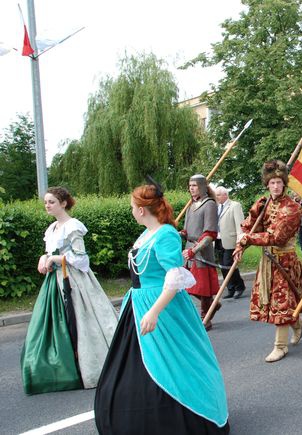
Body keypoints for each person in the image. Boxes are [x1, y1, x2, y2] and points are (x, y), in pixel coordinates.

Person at [94, 182, 229, 434]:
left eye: (133, 207)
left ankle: (185, 417)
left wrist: (154, 311)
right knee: (136, 363)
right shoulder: (145, 234)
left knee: (173, 360)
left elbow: (174, 276)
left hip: (161, 307)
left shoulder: (165, 234)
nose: (132, 211)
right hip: (137, 302)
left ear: (143, 210)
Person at [22, 187, 118, 394]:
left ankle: (90, 367)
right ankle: (61, 368)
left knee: (81, 322)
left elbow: (81, 259)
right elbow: (49, 252)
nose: (47, 205)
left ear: (63, 203)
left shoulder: (73, 226)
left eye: (51, 202)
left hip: (74, 282)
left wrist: (55, 259)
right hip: (54, 282)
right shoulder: (52, 228)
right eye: (46, 202)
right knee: (52, 324)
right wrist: (43, 258)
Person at [233, 160, 302, 362]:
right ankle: (295, 323)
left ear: (284, 183)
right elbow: (250, 226)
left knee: (282, 302)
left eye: (279, 182)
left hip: (285, 261)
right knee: (275, 302)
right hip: (267, 261)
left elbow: (276, 238)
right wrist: (240, 246)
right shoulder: (263, 203)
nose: (276, 186)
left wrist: (249, 239)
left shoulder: (292, 209)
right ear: (267, 184)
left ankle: (280, 346)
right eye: (272, 183)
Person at [180, 174, 220, 330]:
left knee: (202, 287)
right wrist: (180, 234)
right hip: (189, 249)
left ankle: (206, 316)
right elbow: (187, 230)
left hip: (201, 250)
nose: (191, 188)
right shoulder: (191, 206)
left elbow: (210, 234)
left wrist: (194, 250)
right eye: (190, 185)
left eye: (195, 185)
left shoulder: (209, 204)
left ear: (203, 187)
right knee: (186, 284)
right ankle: (212, 305)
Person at [212, 185, 246, 299]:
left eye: (218, 195)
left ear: (225, 195)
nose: (216, 197)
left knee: (229, 265)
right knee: (222, 266)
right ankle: (230, 288)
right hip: (218, 240)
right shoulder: (216, 207)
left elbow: (239, 224)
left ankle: (239, 286)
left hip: (231, 240)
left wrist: (240, 241)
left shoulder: (234, 206)